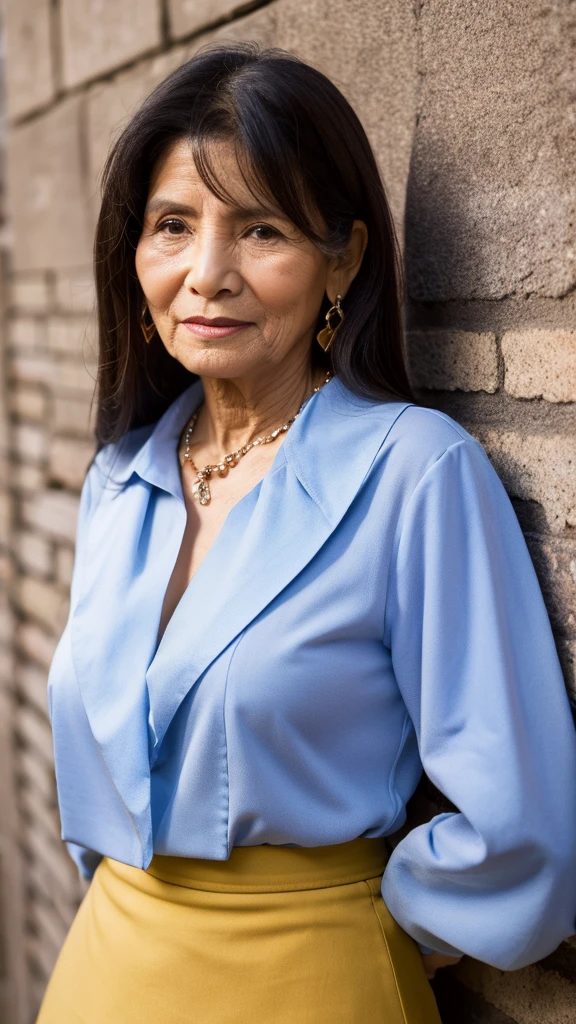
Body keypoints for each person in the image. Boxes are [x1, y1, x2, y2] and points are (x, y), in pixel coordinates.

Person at [36, 42, 576, 1024]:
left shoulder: (416, 473)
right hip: (104, 968)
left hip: (312, 980)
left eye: (262, 229)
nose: (208, 274)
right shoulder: (121, 477)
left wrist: (368, 923)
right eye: (172, 226)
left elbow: (524, 822)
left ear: (345, 257)